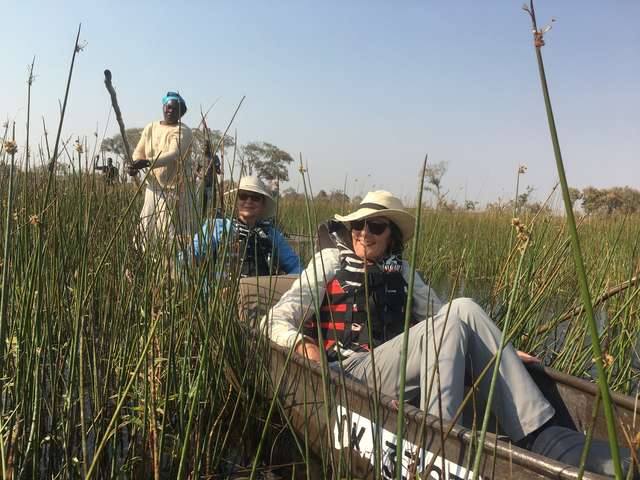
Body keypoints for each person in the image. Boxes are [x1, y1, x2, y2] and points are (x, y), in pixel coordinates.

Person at [262, 190, 555, 444]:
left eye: (376, 226)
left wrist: (494, 347)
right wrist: (303, 345)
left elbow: (446, 317)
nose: (364, 232)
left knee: (464, 306)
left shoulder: (402, 272)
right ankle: (439, 440)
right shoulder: (330, 261)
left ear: (392, 237)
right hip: (349, 375)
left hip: (393, 372)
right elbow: (273, 321)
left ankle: (537, 431)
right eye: (358, 224)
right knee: (451, 323)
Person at [190, 175, 302, 277]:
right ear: (234, 201)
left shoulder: (272, 235)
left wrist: (285, 289)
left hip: (265, 296)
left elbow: (297, 267)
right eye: (243, 196)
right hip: (223, 297)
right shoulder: (217, 228)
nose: (249, 201)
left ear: (263, 204)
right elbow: (185, 261)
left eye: (256, 197)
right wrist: (209, 290)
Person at [128, 92, 194, 248]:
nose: (171, 111)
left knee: (173, 238)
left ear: (181, 114)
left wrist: (147, 163)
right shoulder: (150, 128)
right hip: (153, 189)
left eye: (176, 110)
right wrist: (135, 165)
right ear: (163, 107)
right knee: (145, 234)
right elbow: (139, 152)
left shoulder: (183, 131)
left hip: (175, 193)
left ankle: (173, 269)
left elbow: (174, 154)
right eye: (168, 107)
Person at [194, 141, 221, 213]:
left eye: (208, 146)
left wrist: (213, 167)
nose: (206, 147)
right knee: (201, 208)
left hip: (211, 186)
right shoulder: (199, 157)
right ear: (202, 147)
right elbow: (196, 171)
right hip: (202, 186)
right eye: (205, 145)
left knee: (213, 208)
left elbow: (218, 172)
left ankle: (212, 223)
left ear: (210, 147)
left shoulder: (214, 157)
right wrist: (201, 176)